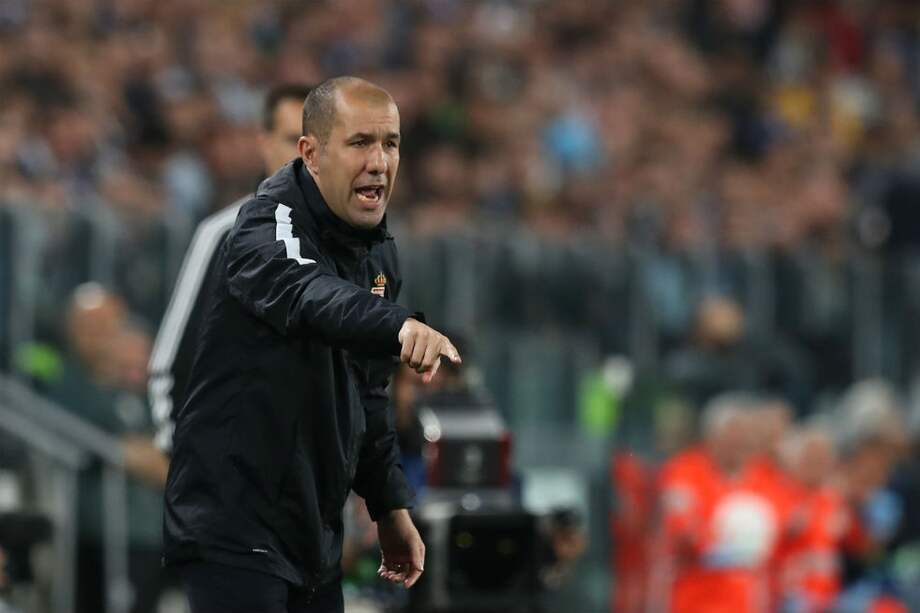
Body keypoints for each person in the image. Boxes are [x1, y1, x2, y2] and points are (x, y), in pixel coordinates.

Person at [163, 76, 460, 613]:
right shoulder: (261, 224)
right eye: (360, 143)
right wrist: (398, 326)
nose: (379, 161)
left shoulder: (378, 256)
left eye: (390, 144)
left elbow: (368, 397)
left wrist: (390, 507)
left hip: (313, 536)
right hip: (236, 526)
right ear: (311, 153)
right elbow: (309, 294)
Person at [148, 83, 312, 452]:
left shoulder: (359, 246)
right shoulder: (226, 233)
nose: (304, 156)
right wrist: (194, 468)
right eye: (291, 140)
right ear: (264, 142)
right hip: (237, 485)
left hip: (324, 492)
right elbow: (172, 365)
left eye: (317, 143)